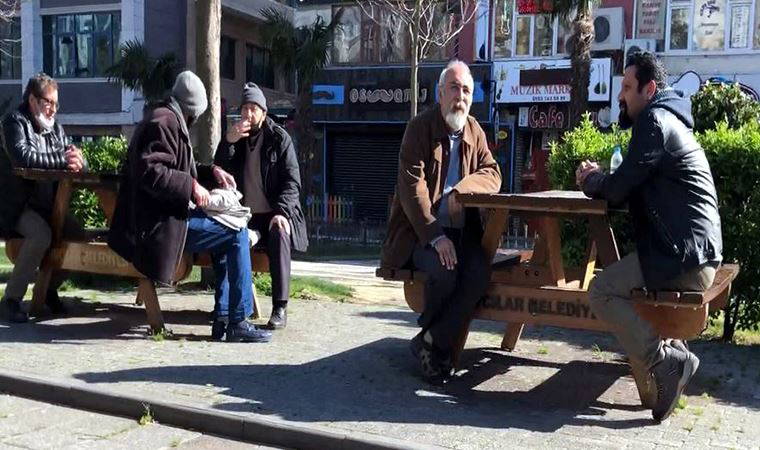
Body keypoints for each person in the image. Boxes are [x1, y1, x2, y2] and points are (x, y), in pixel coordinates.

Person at [576, 52, 722, 423]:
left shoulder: (654, 121)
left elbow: (618, 188)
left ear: (649, 88)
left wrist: (591, 181)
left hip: (684, 259)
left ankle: (664, 361)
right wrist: (602, 179)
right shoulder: (669, 119)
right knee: (617, 284)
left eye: (627, 88)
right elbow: (629, 181)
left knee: (601, 290)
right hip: (694, 253)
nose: (620, 96)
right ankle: (671, 358)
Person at [108, 71, 271, 343]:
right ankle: (237, 320)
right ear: (191, 110)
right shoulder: (163, 122)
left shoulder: (167, 118)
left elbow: (181, 167)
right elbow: (152, 171)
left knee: (228, 233)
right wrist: (192, 186)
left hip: (165, 219)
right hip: (156, 227)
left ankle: (224, 318)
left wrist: (211, 172)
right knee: (236, 234)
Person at [380, 60, 501, 382]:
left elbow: (493, 173)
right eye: (454, 88)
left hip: (463, 234)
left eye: (466, 91)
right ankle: (437, 352)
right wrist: (435, 235)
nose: (460, 97)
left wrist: (462, 190)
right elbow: (412, 188)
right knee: (445, 271)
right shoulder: (419, 128)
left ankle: (431, 340)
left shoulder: (475, 130)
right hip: (420, 234)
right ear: (440, 93)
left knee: (480, 273)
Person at [214, 83, 308, 330]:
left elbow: (292, 182)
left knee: (280, 232)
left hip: (273, 214)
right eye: (244, 108)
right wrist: (227, 143)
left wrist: (282, 212)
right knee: (224, 235)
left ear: (264, 113)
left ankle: (280, 308)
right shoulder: (236, 140)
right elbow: (219, 173)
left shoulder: (279, 139)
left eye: (253, 108)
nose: (248, 114)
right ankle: (226, 309)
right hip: (246, 216)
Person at [0, 73, 87, 322]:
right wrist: (63, 161)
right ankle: (11, 300)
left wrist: (80, 161)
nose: (53, 109)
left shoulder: (55, 129)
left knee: (77, 236)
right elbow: (23, 157)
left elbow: (73, 158)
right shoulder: (14, 122)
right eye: (49, 102)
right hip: (17, 206)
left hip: (47, 205)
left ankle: (48, 288)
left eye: (56, 104)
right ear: (32, 100)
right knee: (41, 235)